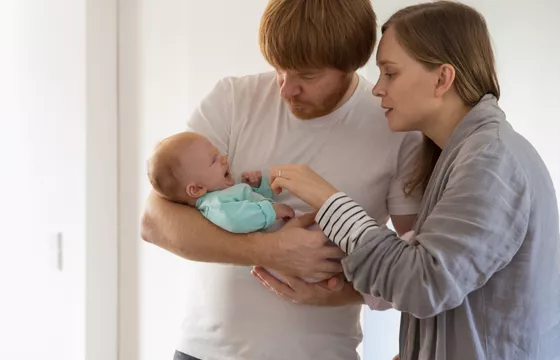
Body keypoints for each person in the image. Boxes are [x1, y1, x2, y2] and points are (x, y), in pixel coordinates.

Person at [255, 2, 560, 360]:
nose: (377, 89)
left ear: (442, 79)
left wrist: (330, 202)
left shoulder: (489, 161)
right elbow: (447, 280)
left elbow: (425, 284)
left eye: (390, 73)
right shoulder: (465, 153)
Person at [140, 0, 422, 358]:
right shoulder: (232, 100)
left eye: (307, 76)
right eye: (278, 69)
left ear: (351, 63)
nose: (286, 89)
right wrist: (271, 251)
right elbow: (155, 221)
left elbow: (418, 267)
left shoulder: (395, 129)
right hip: (203, 351)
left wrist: (335, 294)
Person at [146, 131, 296, 233]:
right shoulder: (215, 205)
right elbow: (237, 220)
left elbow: (257, 203)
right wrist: (272, 211)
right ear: (197, 189)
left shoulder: (223, 194)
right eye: (214, 160)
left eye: (218, 153)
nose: (224, 158)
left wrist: (256, 187)